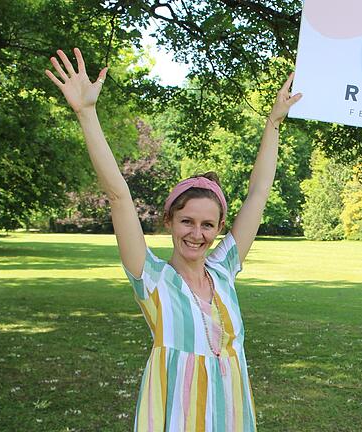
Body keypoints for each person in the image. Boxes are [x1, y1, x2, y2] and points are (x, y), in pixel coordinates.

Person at [46, 48, 301, 431]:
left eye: (207, 225)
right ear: (169, 220)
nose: (196, 234)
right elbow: (118, 195)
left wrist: (273, 123)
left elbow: (259, 192)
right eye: (186, 221)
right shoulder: (152, 278)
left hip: (230, 418)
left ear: (219, 228)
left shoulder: (224, 270)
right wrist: (86, 113)